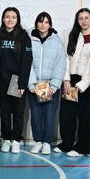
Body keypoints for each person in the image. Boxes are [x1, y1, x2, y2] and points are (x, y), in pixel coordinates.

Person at [58, 8, 90, 157]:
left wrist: (82, 85)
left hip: (86, 83)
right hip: (70, 80)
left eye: (86, 18)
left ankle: (82, 147)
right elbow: (66, 58)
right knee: (67, 114)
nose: (83, 21)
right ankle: (66, 143)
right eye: (80, 18)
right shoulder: (73, 35)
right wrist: (66, 79)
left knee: (86, 117)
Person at [27, 12, 65, 155]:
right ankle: (38, 141)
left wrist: (55, 85)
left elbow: (60, 64)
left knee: (49, 116)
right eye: (40, 21)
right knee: (36, 115)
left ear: (50, 25)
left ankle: (47, 143)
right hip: (35, 86)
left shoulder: (57, 42)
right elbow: (27, 63)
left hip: (50, 86)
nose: (43, 25)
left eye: (46, 22)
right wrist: (31, 84)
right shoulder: (30, 40)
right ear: (36, 23)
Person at [0, 7, 32, 154]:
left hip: (16, 81)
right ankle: (6, 139)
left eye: (13, 17)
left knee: (17, 113)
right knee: (4, 112)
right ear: (3, 19)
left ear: (18, 19)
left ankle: (16, 140)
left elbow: (26, 61)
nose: (10, 20)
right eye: (7, 17)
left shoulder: (23, 36)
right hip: (1, 81)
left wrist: (22, 83)